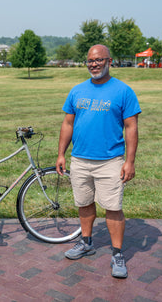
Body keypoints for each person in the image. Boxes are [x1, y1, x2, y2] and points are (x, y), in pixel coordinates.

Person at [56, 44, 141, 278]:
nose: (94, 64)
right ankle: (86, 243)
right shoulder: (77, 91)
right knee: (84, 203)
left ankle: (117, 254)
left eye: (98, 60)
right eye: (90, 61)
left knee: (113, 208)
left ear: (109, 61)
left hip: (110, 160)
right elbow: (68, 124)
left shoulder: (123, 91)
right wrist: (61, 153)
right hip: (80, 159)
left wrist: (130, 161)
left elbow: (131, 128)